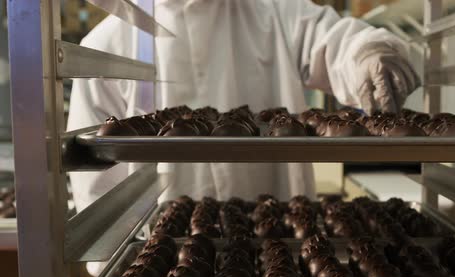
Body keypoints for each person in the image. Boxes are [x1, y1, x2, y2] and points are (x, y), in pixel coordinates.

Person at [68, 0, 420, 211]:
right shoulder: (107, 44)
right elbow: (98, 193)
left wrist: (368, 52)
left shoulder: (274, 13)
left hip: (279, 248)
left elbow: (336, 41)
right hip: (160, 270)